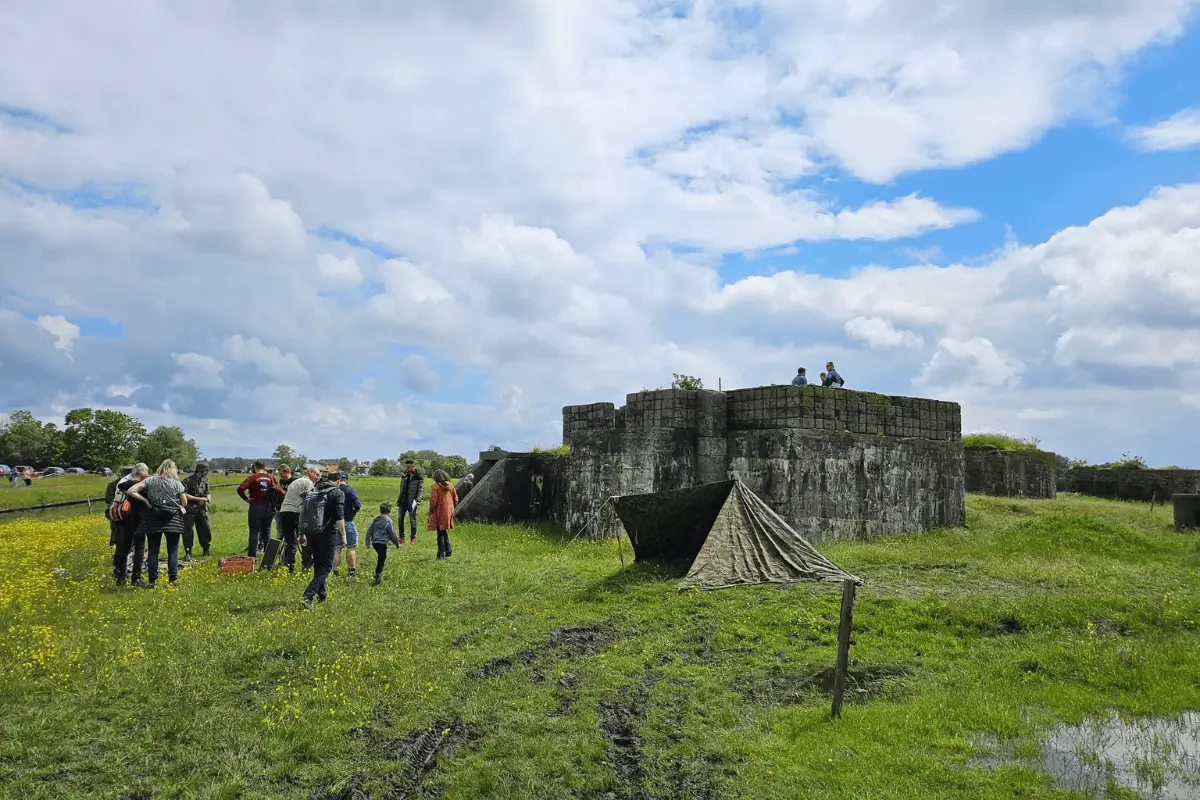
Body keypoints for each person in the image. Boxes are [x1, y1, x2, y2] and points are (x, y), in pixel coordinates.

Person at [125, 459, 188, 588]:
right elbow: (184, 502)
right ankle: (173, 579)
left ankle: (152, 580)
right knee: (173, 550)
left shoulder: (150, 480)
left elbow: (131, 491)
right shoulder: (176, 483)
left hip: (153, 518)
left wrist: (146, 501)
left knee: (153, 550)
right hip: (173, 519)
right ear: (173, 469)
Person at [302, 470, 346, 610]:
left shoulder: (317, 489)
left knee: (318, 563)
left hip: (312, 531)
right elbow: (339, 516)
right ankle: (308, 595)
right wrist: (343, 535)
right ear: (338, 481)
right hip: (328, 532)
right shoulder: (338, 492)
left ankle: (322, 594)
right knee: (327, 566)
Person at [111, 463, 149, 587]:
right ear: (141, 475)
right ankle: (136, 578)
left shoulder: (122, 482)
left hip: (123, 520)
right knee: (139, 548)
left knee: (123, 548)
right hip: (138, 520)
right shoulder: (142, 486)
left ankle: (120, 577)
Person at [278, 466, 320, 575]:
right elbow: (309, 500)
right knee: (305, 540)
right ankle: (306, 566)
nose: (318, 478)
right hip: (296, 513)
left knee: (290, 542)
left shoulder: (297, 481)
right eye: (317, 475)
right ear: (311, 472)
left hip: (284, 512)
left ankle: (288, 568)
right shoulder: (308, 483)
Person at [237, 460, 282, 556]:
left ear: (255, 467)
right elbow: (279, 490)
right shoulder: (271, 477)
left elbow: (240, 489)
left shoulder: (251, 477)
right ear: (264, 467)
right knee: (267, 532)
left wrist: (246, 499)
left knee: (254, 533)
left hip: (256, 507)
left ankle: (252, 557)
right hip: (269, 507)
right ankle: (268, 556)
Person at [332, 472, 363, 579]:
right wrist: (353, 512)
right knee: (351, 547)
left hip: (334, 523)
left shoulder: (333, 491)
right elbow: (358, 505)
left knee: (336, 548)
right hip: (348, 521)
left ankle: (335, 572)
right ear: (347, 480)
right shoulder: (350, 490)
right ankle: (351, 572)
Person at [181, 462, 213, 559]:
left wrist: (208, 497)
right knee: (188, 531)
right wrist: (198, 499)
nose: (208, 472)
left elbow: (207, 492)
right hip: (189, 510)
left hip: (202, 510)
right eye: (206, 471)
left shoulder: (205, 480)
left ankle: (206, 549)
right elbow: (183, 495)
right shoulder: (187, 481)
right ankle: (188, 552)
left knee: (205, 529)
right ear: (200, 471)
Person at [366, 501, 400, 585]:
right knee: (382, 558)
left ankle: (379, 572)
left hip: (375, 543)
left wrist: (367, 543)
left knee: (381, 557)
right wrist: (396, 543)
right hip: (382, 543)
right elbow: (392, 533)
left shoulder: (375, 520)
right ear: (389, 511)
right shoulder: (388, 521)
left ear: (380, 510)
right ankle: (378, 576)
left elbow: (369, 532)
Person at [428, 469, 458, 560]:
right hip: (449, 511)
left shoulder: (435, 487)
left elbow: (433, 501)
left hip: (439, 511)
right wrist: (452, 507)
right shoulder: (451, 485)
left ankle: (441, 554)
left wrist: (431, 511)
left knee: (440, 532)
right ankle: (448, 550)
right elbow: (456, 499)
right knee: (443, 531)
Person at [396, 459, 424, 544]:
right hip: (403, 501)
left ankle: (413, 538)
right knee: (400, 519)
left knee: (413, 520)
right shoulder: (404, 475)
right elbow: (401, 487)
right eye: (407, 466)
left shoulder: (418, 476)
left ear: (413, 466)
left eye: (410, 465)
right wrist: (399, 499)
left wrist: (418, 500)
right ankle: (401, 537)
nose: (408, 467)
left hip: (412, 501)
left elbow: (421, 490)